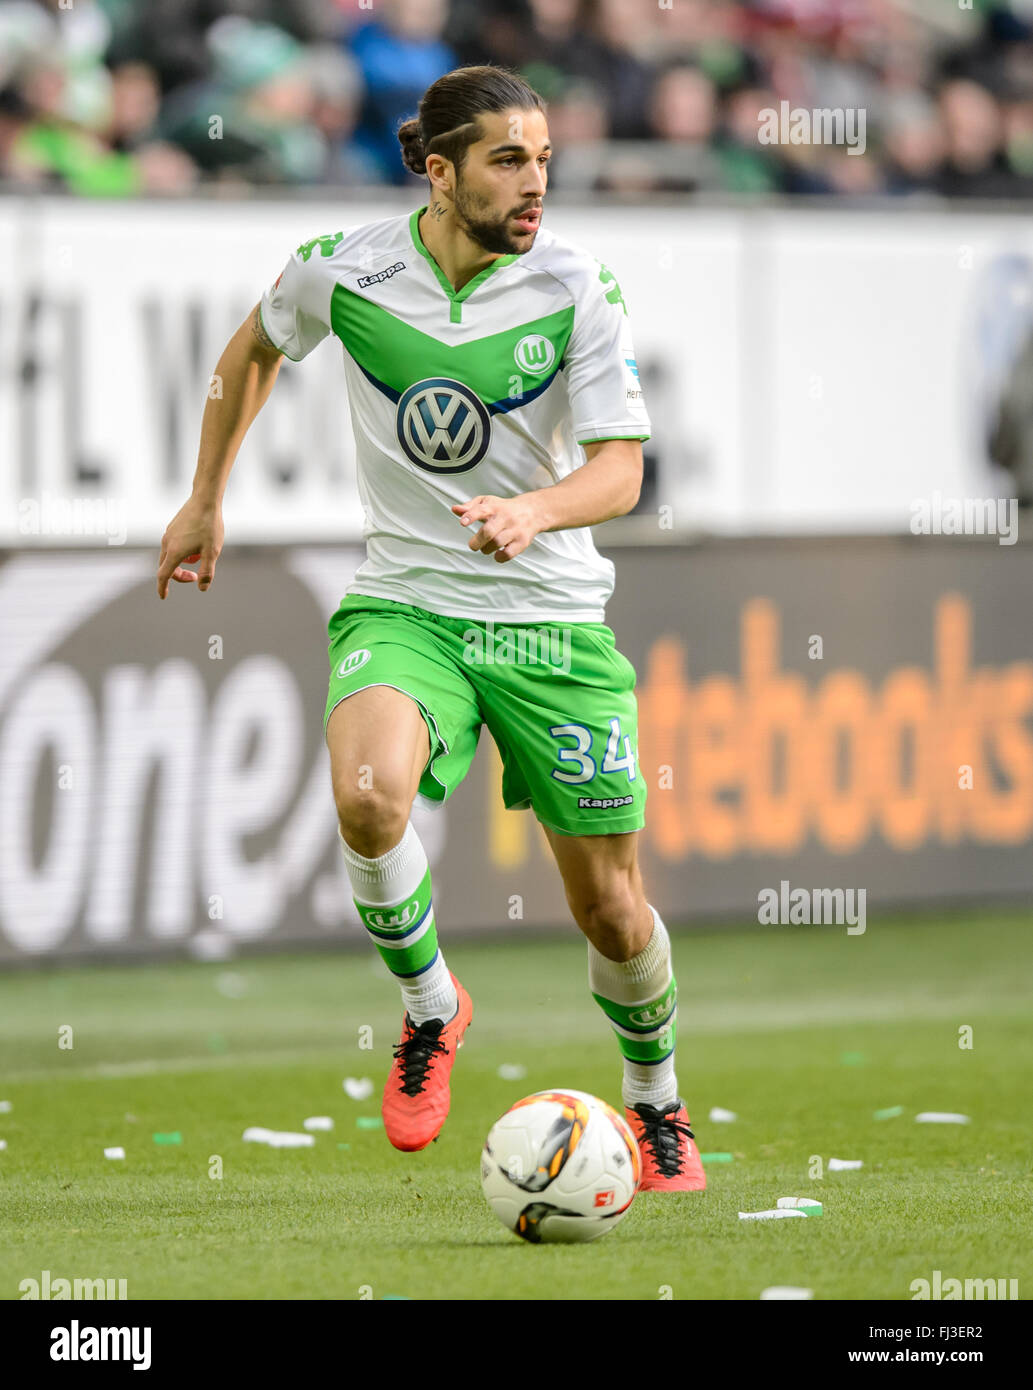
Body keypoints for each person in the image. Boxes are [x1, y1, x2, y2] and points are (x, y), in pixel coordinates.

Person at [156, 64, 704, 1193]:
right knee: (366, 797)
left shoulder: (575, 288)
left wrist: (534, 510)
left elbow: (620, 470)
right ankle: (430, 1009)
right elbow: (250, 351)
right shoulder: (345, 271)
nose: (536, 182)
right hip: (409, 600)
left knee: (609, 908)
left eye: (545, 158)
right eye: (510, 160)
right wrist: (206, 494)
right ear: (440, 169)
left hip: (549, 618)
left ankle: (655, 1099)